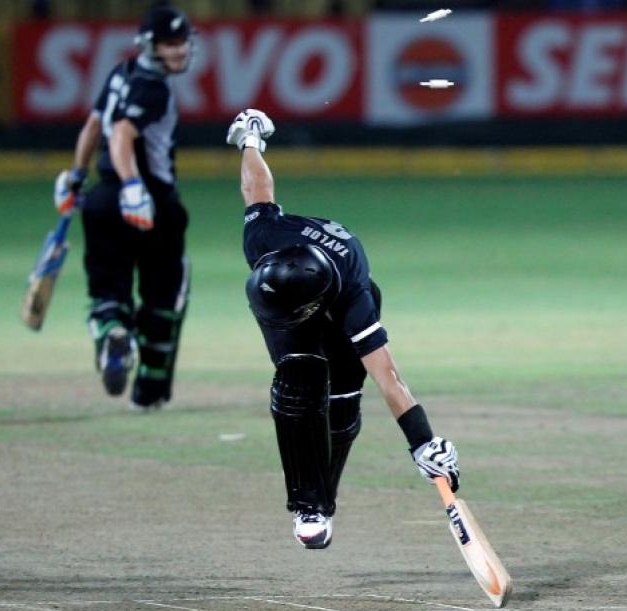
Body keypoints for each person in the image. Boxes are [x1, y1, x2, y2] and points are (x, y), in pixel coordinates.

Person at [225, 109, 461, 549]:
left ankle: (323, 498)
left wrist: (423, 443)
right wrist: (250, 138)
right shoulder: (264, 240)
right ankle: (309, 506)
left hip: (334, 302)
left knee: (342, 404)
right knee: (297, 384)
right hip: (282, 299)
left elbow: (388, 377)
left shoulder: (355, 299)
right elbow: (257, 188)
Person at [54, 4, 194, 410]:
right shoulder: (155, 87)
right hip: (152, 204)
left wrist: (76, 176)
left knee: (107, 292)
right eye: (170, 44)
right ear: (150, 46)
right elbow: (119, 134)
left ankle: (114, 332)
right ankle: (148, 392)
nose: (180, 50)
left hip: (101, 200)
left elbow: (93, 126)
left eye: (182, 41)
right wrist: (134, 186)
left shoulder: (120, 73)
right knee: (163, 299)